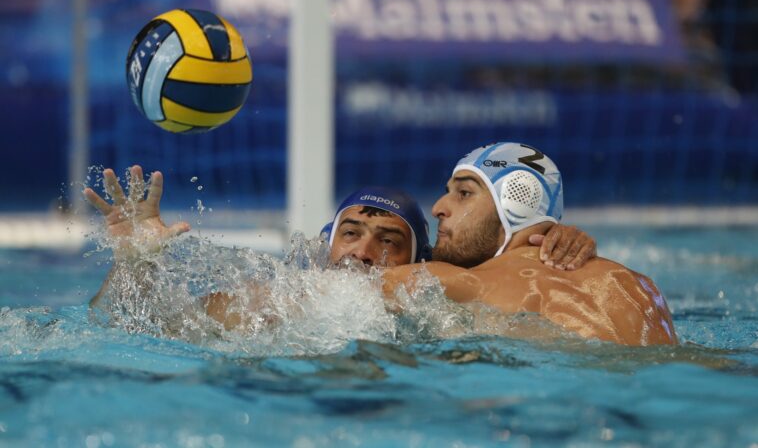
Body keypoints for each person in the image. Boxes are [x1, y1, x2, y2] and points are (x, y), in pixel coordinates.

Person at [85, 164, 596, 323]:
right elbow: (124, 327)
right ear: (325, 245)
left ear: (420, 263)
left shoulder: (444, 298)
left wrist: (550, 239)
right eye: (350, 233)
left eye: (389, 241)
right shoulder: (273, 303)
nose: (363, 252)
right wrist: (134, 264)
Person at [382, 142, 678, 346]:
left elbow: (345, 287)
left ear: (516, 203)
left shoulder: (465, 284)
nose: (437, 208)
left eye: (464, 194)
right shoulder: (641, 287)